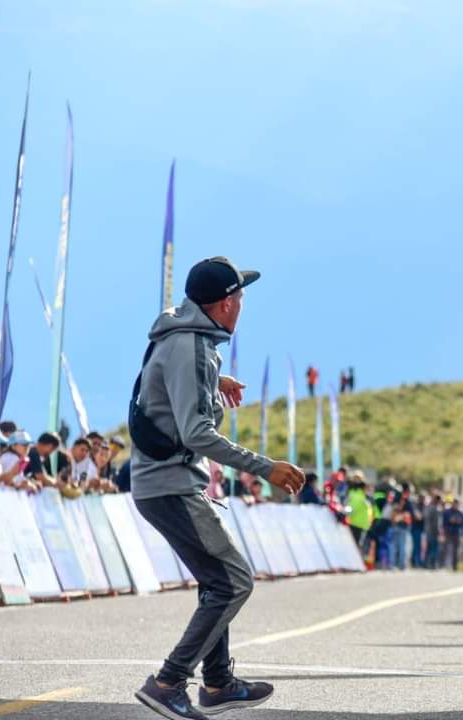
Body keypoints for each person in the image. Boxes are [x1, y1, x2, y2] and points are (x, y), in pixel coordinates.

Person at [129, 256, 305, 720]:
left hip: (165, 480)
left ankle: (218, 682)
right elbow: (195, 434)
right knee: (233, 581)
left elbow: (164, 387)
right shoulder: (191, 347)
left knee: (217, 580)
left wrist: (212, 381)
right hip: (169, 484)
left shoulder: (186, 340)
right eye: (240, 296)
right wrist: (264, 467)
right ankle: (168, 681)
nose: (243, 303)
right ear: (226, 304)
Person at [345, 472, 373, 545]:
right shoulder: (358, 496)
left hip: (360, 525)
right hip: (357, 525)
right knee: (356, 548)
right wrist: (344, 514)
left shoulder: (361, 496)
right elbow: (350, 509)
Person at [442, 497, 463, 571]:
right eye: (455, 503)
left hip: (456, 533)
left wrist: (458, 521)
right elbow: (444, 522)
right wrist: (451, 521)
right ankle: (445, 565)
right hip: (448, 532)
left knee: (456, 551)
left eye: (457, 503)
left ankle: (454, 566)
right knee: (447, 549)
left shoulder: (460, 513)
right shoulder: (447, 512)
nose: (456, 505)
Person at [424, 492, 443, 568]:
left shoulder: (429, 507)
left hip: (428, 531)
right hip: (433, 532)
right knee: (434, 548)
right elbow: (436, 523)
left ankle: (426, 563)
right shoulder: (435, 509)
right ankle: (432, 564)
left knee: (429, 548)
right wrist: (438, 532)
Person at [410, 492, 426, 568]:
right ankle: (416, 562)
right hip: (415, 529)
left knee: (420, 547)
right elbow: (418, 517)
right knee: (416, 546)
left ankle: (416, 562)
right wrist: (422, 516)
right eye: (421, 498)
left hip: (422, 529)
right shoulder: (415, 506)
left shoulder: (424, 507)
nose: (422, 499)